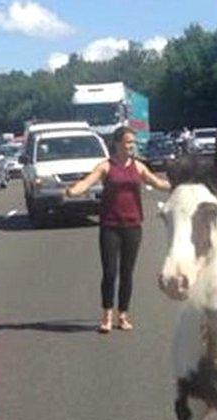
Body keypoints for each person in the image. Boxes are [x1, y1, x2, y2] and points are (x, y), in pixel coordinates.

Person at [66, 126, 171, 333]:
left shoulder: (138, 167)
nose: (131, 146)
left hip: (132, 225)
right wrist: (73, 191)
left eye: (133, 142)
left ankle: (123, 315)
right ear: (117, 144)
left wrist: (181, 183)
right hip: (110, 226)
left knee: (127, 273)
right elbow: (87, 182)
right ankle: (107, 315)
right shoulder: (106, 167)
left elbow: (157, 183)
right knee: (110, 272)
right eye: (128, 142)